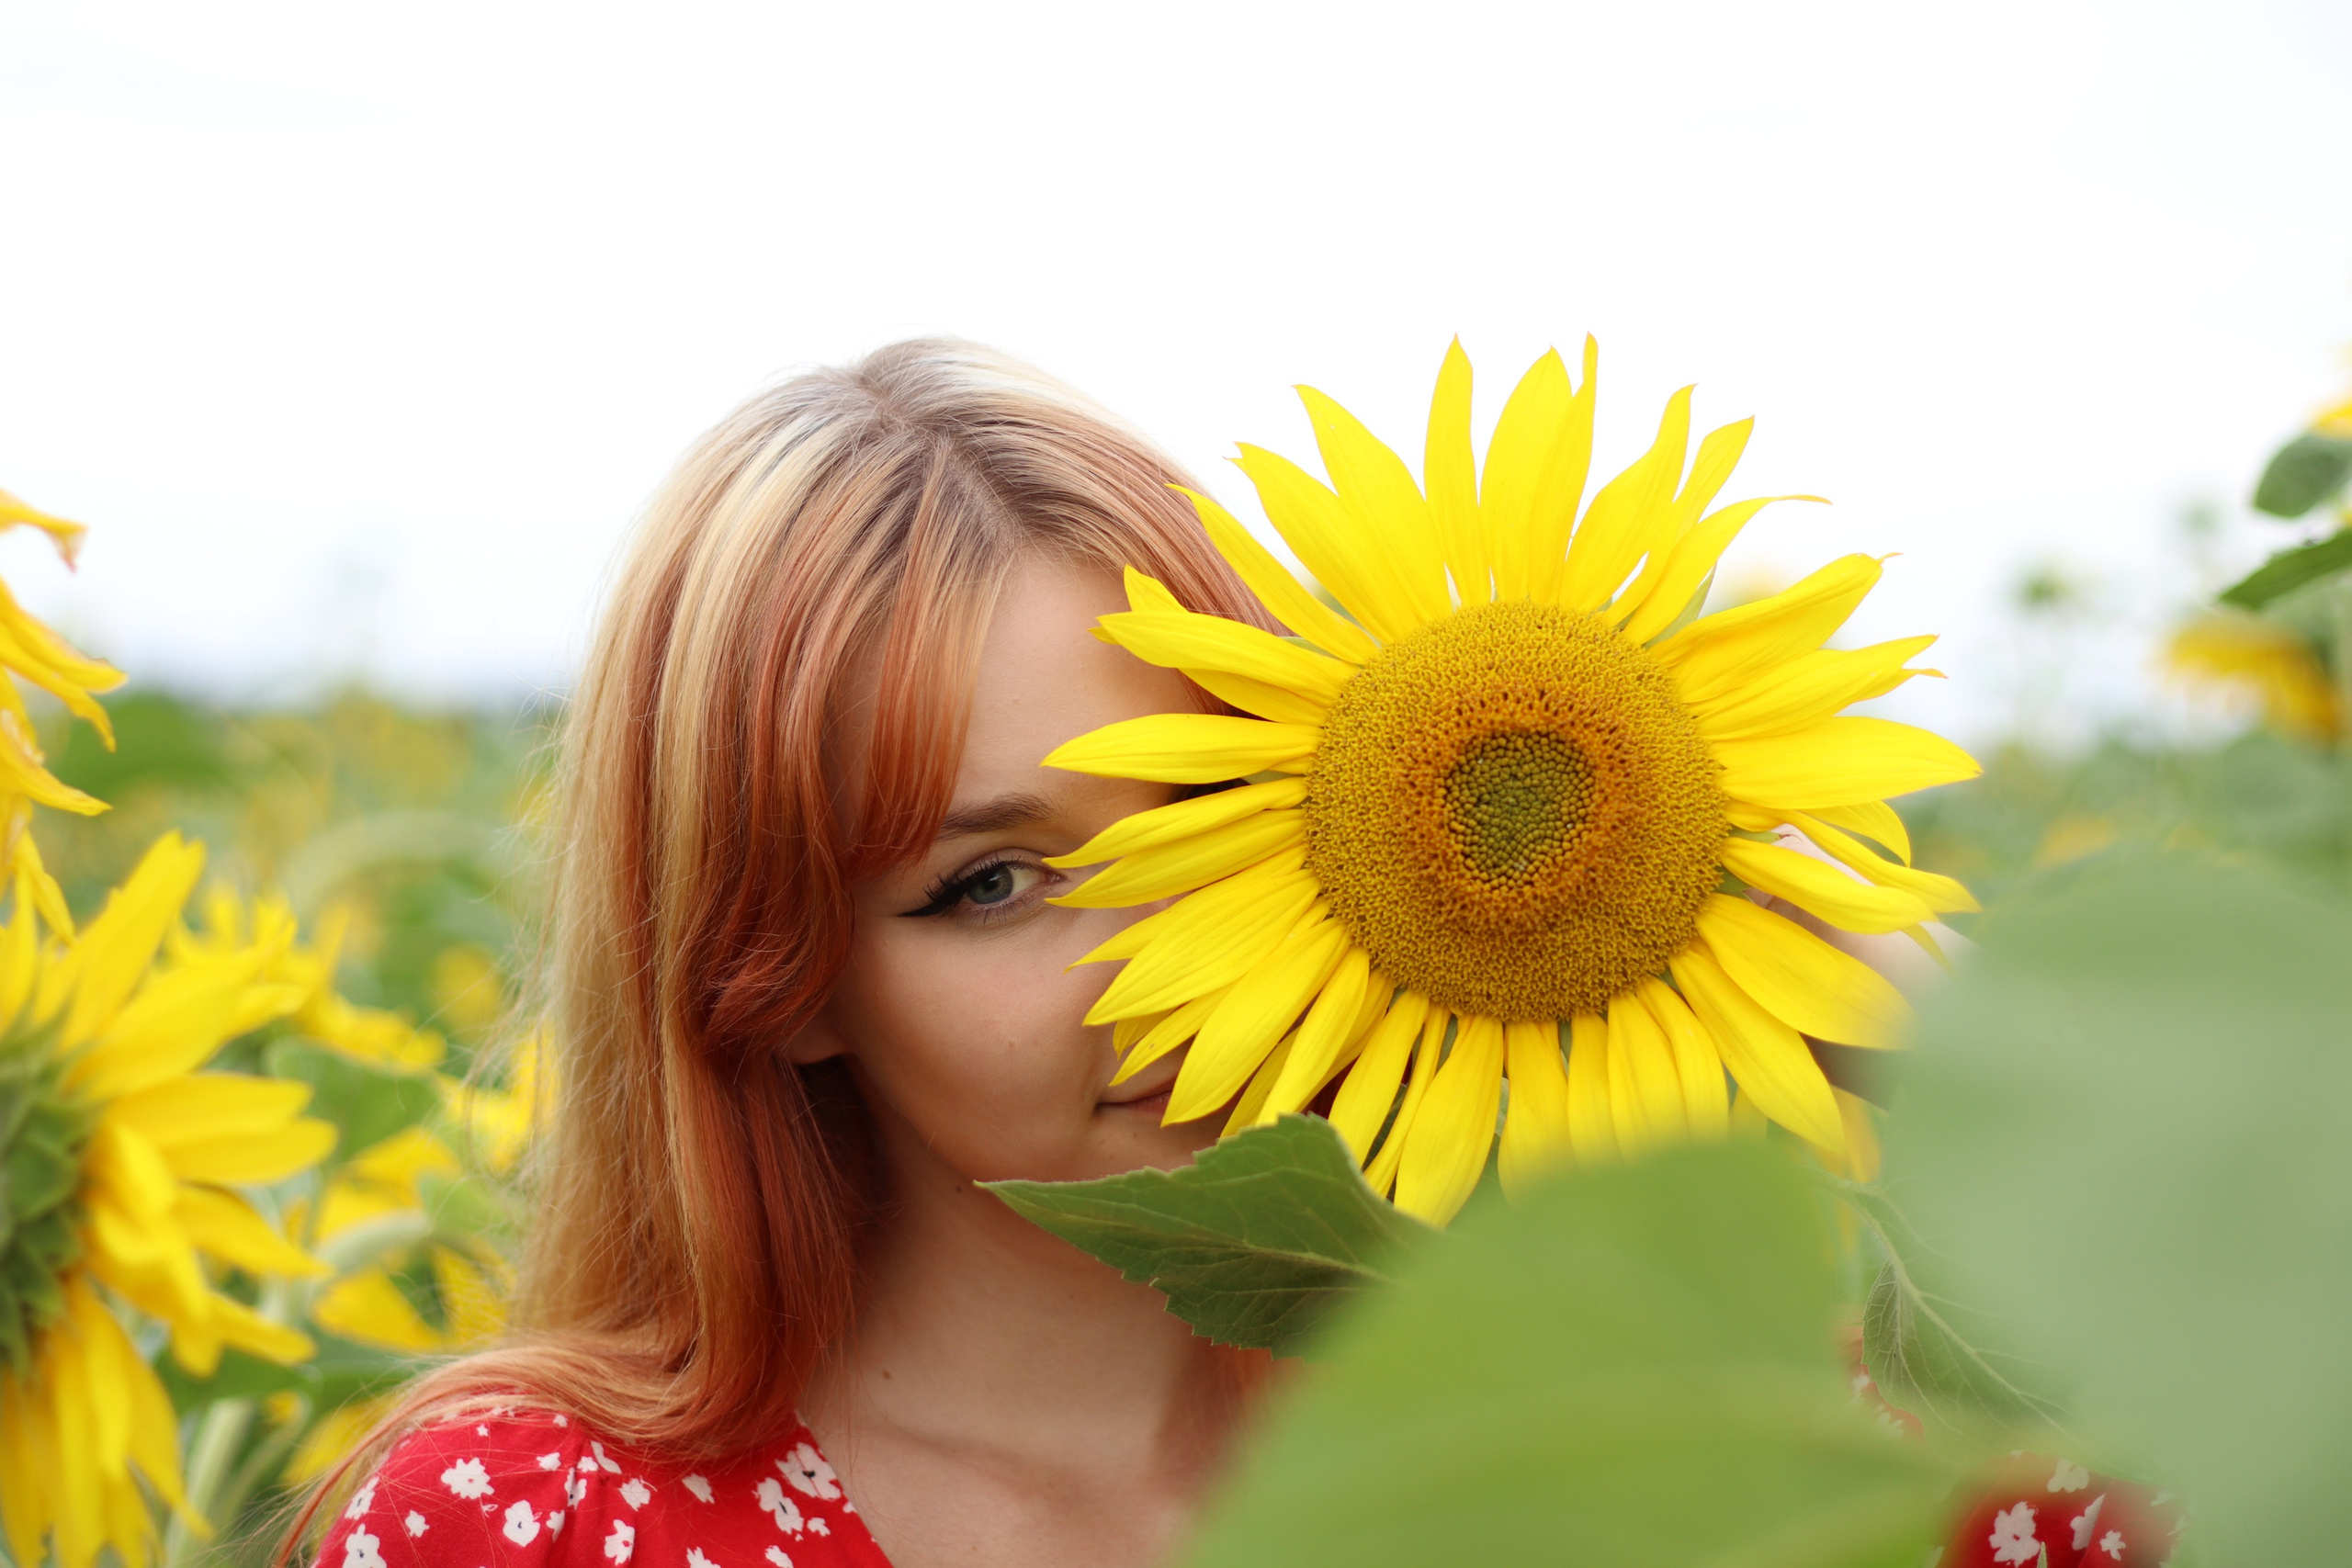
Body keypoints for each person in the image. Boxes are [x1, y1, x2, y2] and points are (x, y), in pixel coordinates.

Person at [294, 338, 1941, 1568]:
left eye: (1212, 815)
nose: (1174, 966)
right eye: (995, 882)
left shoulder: (1633, 1447)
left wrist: (1935, 1056)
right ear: (777, 977)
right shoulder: (533, 1526)